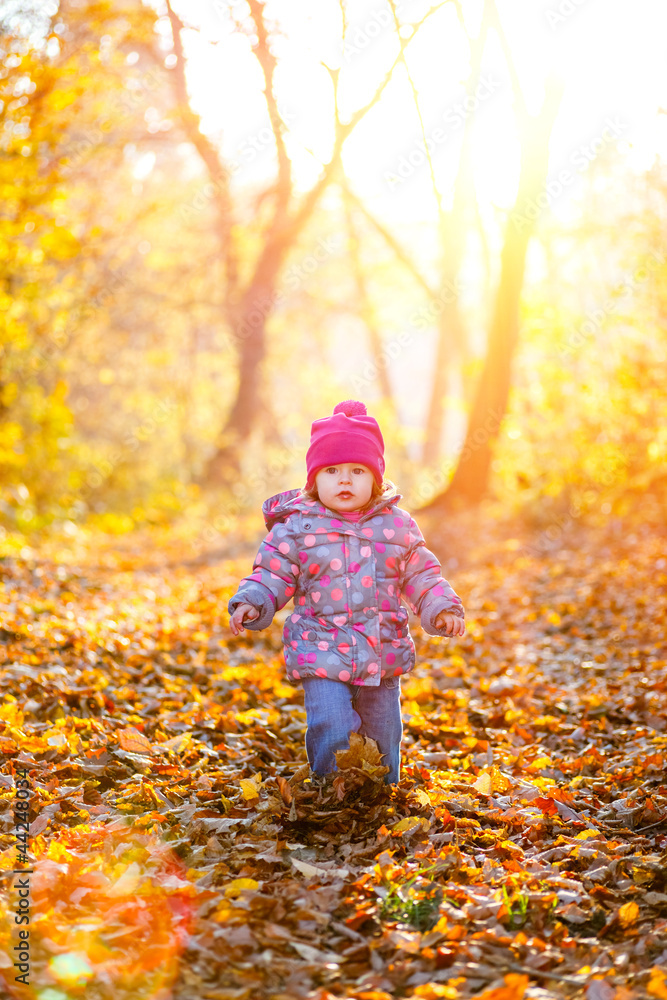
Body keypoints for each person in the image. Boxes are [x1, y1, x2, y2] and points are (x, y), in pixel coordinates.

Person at [227, 400, 465, 785]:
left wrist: (441, 608)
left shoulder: (397, 526)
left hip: (381, 650)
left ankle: (381, 792)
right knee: (331, 723)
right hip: (320, 647)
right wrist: (253, 600)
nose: (344, 480)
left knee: (384, 731)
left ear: (376, 478)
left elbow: (422, 572)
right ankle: (329, 791)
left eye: (357, 471)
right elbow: (272, 572)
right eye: (332, 470)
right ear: (313, 480)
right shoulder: (297, 528)